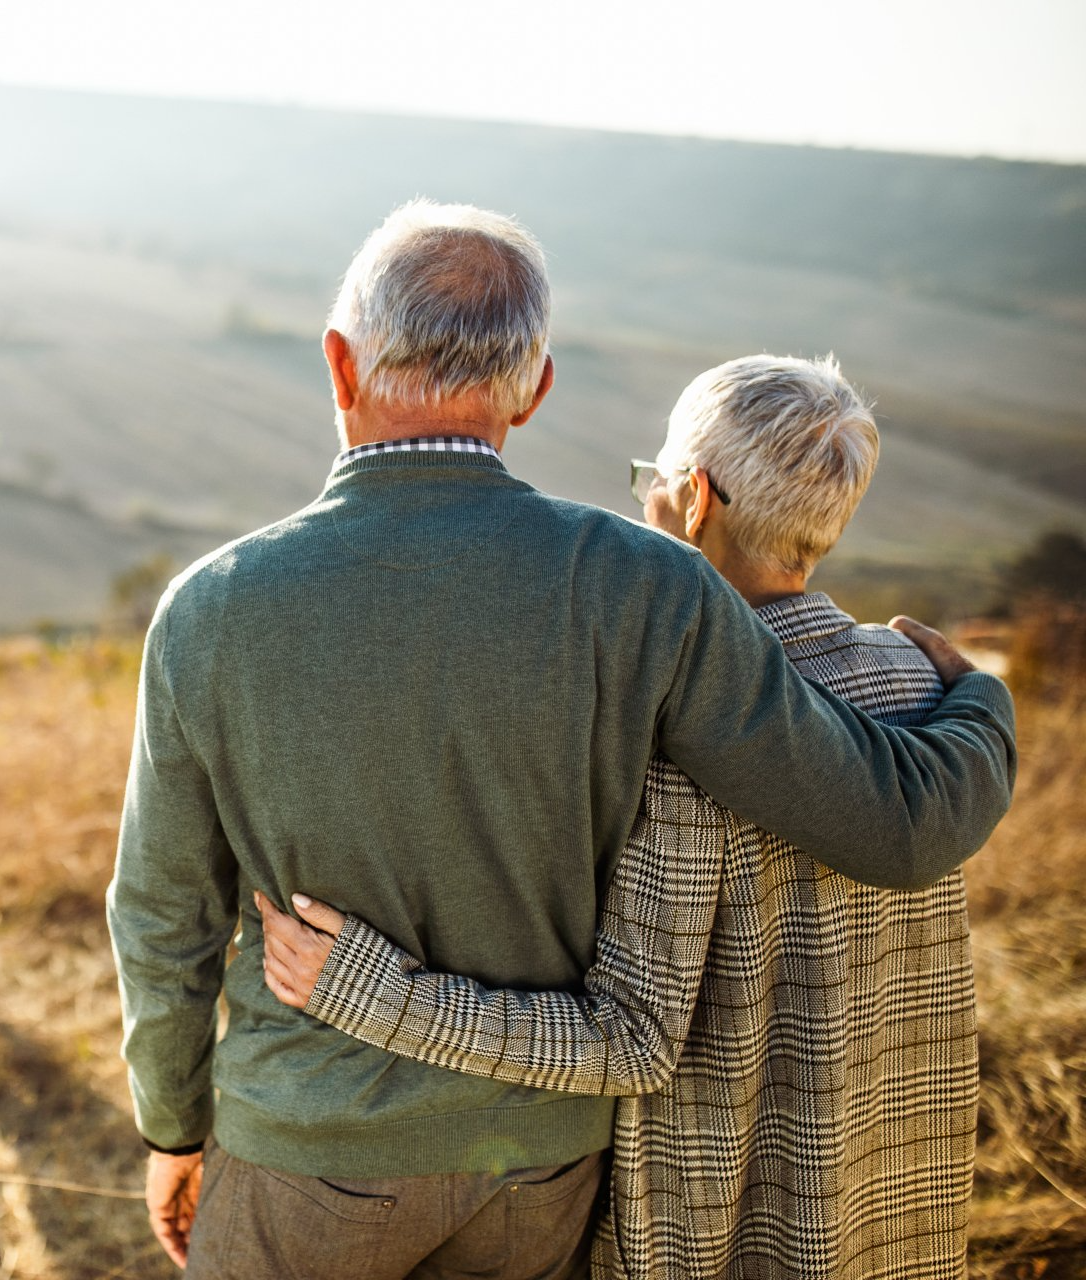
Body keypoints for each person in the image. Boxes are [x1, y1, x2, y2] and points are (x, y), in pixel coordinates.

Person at [107, 197, 1014, 1280]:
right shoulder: (644, 585)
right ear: (534, 389)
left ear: (339, 365)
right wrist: (980, 704)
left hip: (306, 1151)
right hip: (539, 1168)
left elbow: (164, 916)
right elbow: (888, 821)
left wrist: (173, 1124)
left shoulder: (212, 606)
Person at [258, 355, 996, 1279]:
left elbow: (633, 1040)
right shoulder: (922, 684)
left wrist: (375, 993)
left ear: (692, 502)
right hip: (898, 1211)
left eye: (650, 483)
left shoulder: (671, 733)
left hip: (723, 1225)